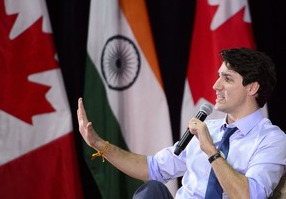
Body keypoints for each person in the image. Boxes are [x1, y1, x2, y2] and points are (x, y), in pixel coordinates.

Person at [77, 47, 286, 198]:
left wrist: (211, 151)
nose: (215, 85)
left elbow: (249, 196)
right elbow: (152, 168)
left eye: (227, 79)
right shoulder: (208, 129)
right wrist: (100, 145)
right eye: (218, 77)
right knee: (152, 191)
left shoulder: (272, 140)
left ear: (252, 88)